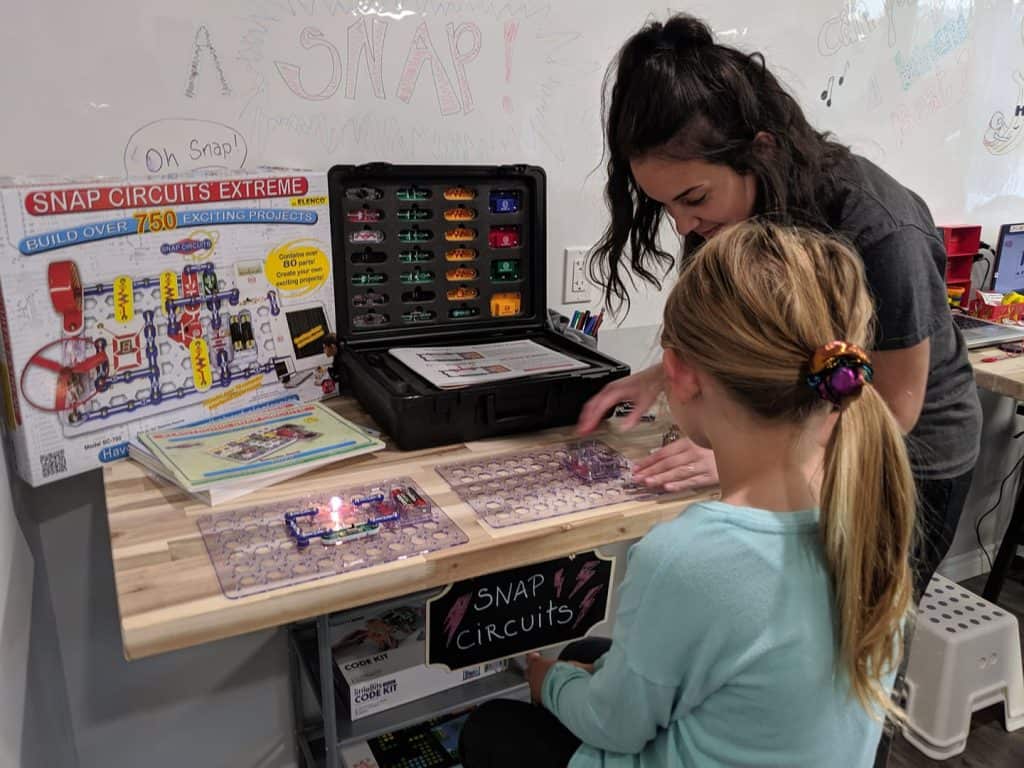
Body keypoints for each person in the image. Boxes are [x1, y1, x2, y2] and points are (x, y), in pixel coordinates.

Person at [458, 221, 915, 768]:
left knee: (491, 726)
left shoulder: (687, 555)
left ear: (678, 372)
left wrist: (546, 682)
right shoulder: (867, 507)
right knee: (587, 654)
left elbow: (615, 727)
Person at [577, 13, 980, 597]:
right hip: (799, 440)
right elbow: (758, 344)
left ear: (759, 151)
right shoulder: (727, 219)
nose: (685, 225)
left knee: (856, 642)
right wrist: (659, 377)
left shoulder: (879, 226)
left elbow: (895, 406)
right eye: (666, 207)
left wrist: (751, 457)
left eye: (693, 198)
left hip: (907, 457)